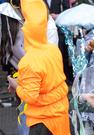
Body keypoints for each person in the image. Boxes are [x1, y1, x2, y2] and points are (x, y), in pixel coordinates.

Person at [7, 0, 70, 134]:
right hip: (60, 116)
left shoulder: (29, 61)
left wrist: (16, 85)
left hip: (43, 122)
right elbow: (46, 82)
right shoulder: (53, 51)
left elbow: (30, 97)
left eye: (26, 24)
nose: (22, 28)